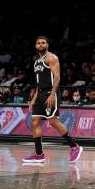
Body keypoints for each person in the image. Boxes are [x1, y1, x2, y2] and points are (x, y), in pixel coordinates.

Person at [23, 36, 83, 164]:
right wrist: (33, 99)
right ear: (35, 46)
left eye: (43, 42)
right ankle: (39, 154)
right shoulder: (36, 62)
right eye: (38, 43)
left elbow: (57, 77)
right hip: (40, 94)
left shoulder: (52, 58)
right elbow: (38, 84)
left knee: (53, 121)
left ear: (47, 45)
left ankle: (74, 146)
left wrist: (52, 94)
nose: (40, 44)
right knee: (34, 121)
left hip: (51, 92)